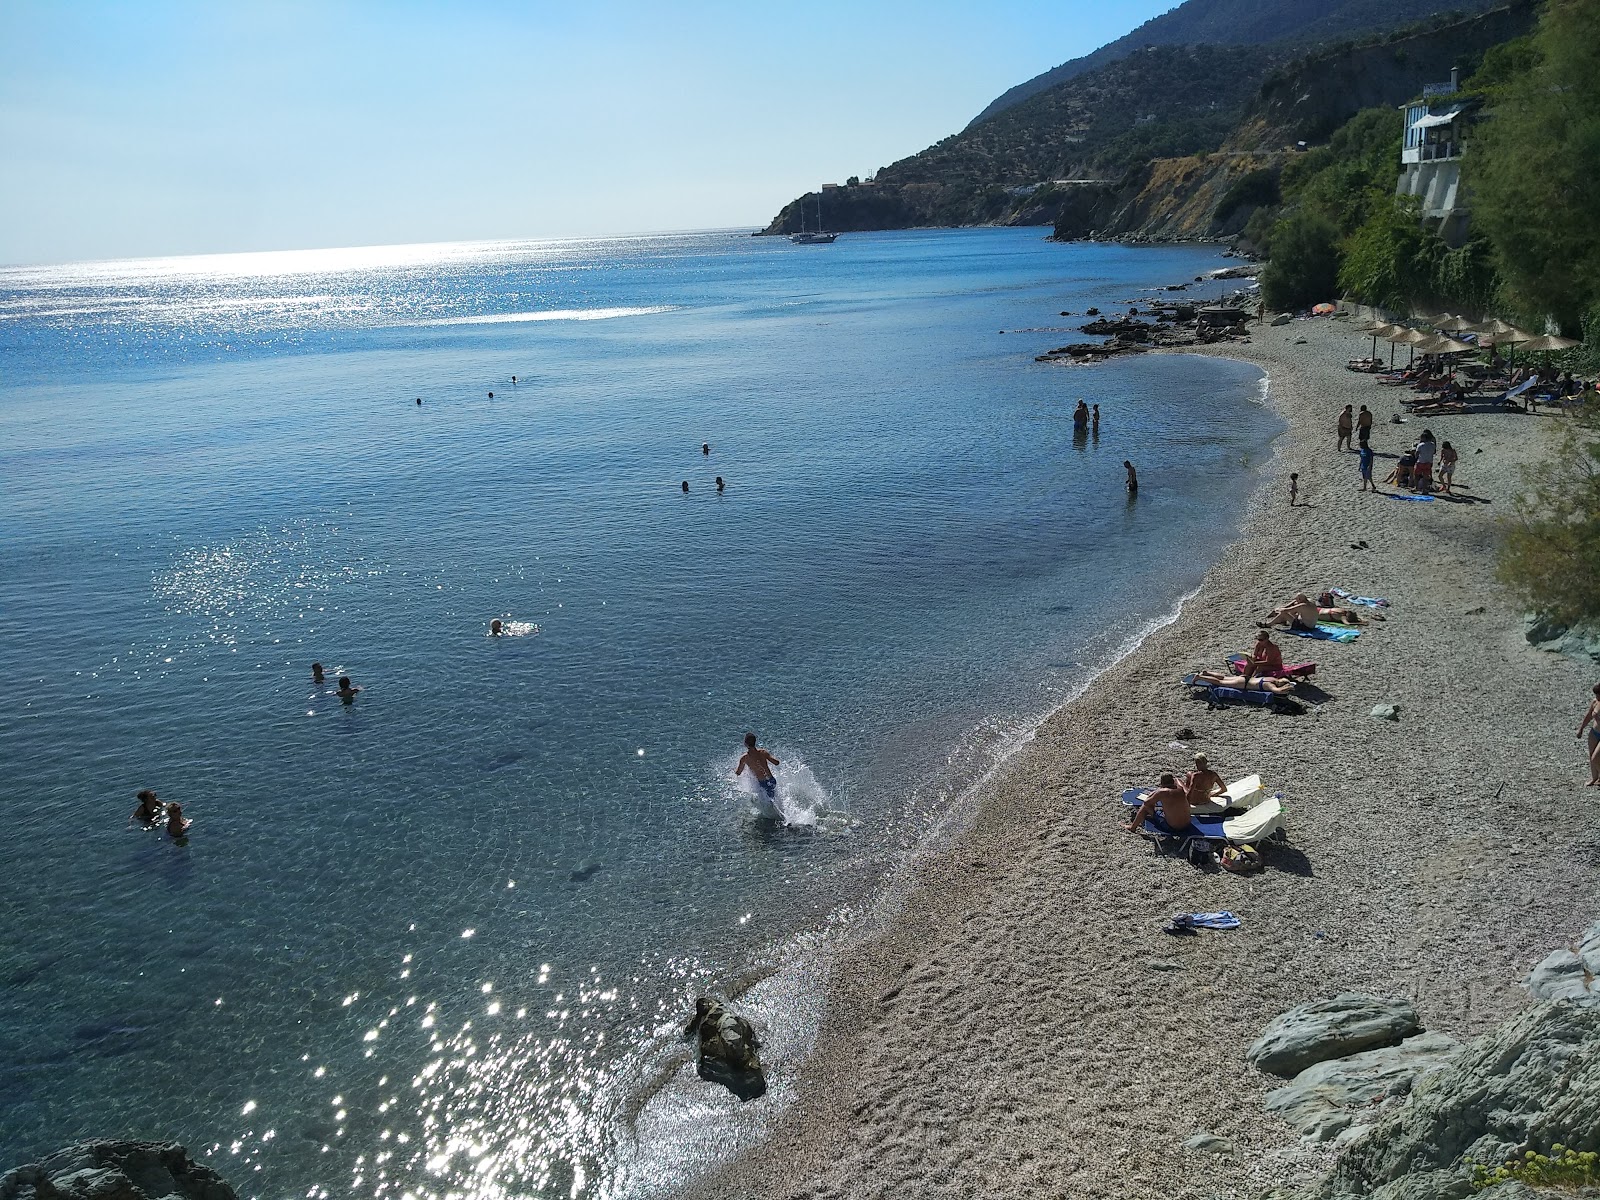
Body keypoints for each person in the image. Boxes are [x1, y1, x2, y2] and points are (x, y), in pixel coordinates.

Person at [1126, 773, 1191, 834]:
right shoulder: (1180, 789)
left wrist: (1154, 793)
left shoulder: (1162, 792)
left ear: (1162, 783)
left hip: (1172, 828)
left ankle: (1132, 827)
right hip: (1187, 826)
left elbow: (1146, 803)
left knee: (1145, 807)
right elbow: (1177, 780)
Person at [735, 733, 781, 800]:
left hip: (762, 784)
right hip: (771, 780)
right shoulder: (763, 752)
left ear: (745, 743)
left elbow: (738, 773)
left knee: (769, 802)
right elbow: (776, 763)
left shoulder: (744, 758)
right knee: (774, 799)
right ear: (755, 742)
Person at [1193, 669, 1296, 696]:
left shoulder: (1272, 679)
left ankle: (1207, 672)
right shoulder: (1271, 684)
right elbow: (1277, 691)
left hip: (1246, 678)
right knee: (1220, 682)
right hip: (1243, 684)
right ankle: (1200, 677)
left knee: (1225, 677)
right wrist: (1288, 688)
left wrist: (1289, 683)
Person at [1580, 684, 1600, 786]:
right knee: (1591, 755)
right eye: (1596, 694)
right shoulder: (1595, 702)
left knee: (1595, 757)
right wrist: (1581, 729)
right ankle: (1594, 778)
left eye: (1599, 694)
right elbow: (1588, 716)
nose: (1597, 697)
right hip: (1594, 732)